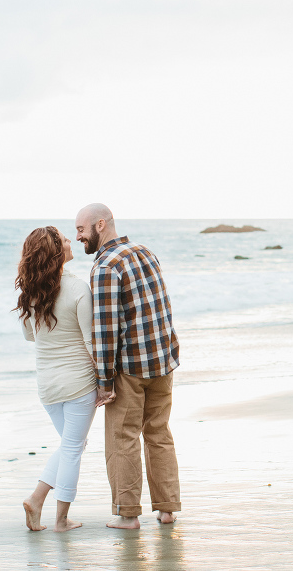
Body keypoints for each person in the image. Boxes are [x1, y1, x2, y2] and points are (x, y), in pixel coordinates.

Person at [75, 203, 182, 529]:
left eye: (81, 229)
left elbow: (107, 329)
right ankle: (167, 510)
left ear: (100, 225)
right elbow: (159, 306)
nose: (77, 236)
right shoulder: (144, 251)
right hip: (163, 361)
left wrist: (104, 380)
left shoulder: (105, 266)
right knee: (159, 433)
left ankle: (128, 515)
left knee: (122, 439)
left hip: (131, 370)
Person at [15, 226, 100, 532]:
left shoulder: (29, 292)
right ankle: (59, 519)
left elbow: (29, 336)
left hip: (48, 386)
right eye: (64, 240)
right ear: (55, 251)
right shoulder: (78, 288)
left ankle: (37, 500)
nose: (70, 241)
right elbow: (92, 342)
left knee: (70, 445)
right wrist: (105, 381)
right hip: (79, 383)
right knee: (73, 449)